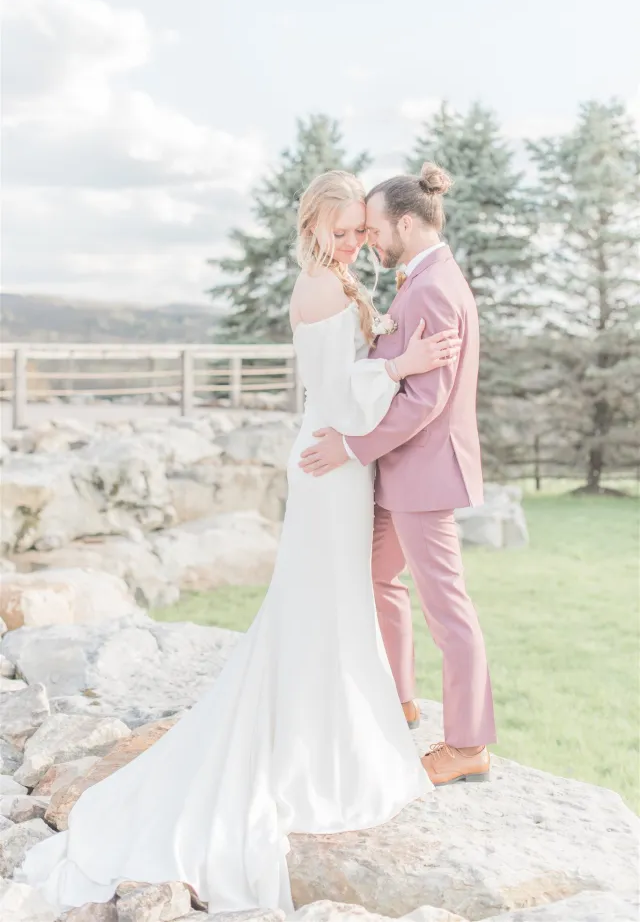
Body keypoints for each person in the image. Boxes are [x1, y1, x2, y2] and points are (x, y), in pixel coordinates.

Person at [18, 170, 461, 915]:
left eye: (361, 229)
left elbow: (348, 372)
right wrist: (402, 363)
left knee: (336, 601)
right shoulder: (320, 287)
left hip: (340, 460)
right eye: (344, 231)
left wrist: (383, 344)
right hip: (330, 458)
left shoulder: (338, 281)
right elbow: (336, 392)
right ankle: (312, 741)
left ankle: (332, 727)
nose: (356, 242)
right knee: (321, 600)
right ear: (315, 226)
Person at [299, 163, 497, 787]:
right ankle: (400, 701)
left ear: (406, 223)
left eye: (376, 227)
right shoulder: (422, 279)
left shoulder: (435, 287)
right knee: (378, 581)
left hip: (423, 475)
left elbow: (424, 401)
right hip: (400, 473)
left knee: (449, 610)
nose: (370, 241)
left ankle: (468, 745)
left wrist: (354, 447)